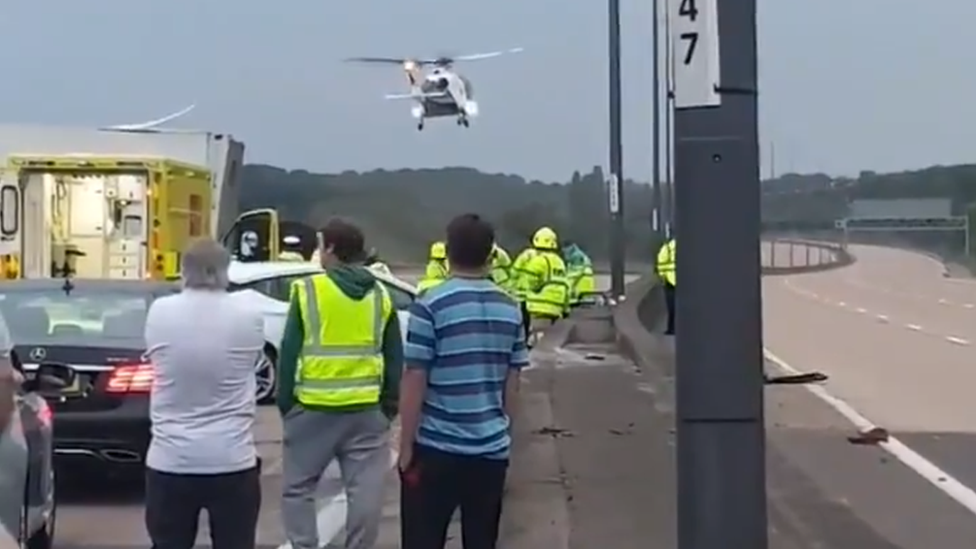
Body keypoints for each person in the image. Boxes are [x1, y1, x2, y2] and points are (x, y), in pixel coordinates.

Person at [399, 213, 528, 549]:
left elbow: (415, 376)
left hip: (436, 448)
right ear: (490, 254)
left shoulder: (429, 306)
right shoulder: (511, 308)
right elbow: (512, 384)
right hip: (489, 452)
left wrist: (405, 446)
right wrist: (505, 438)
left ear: (448, 251)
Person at [277, 218, 403, 549]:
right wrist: (388, 407)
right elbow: (394, 356)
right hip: (365, 411)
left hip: (312, 409)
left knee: (298, 488)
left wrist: (287, 405)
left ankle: (304, 545)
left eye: (320, 245)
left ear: (331, 249)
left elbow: (289, 353)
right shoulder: (381, 294)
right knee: (365, 492)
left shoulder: (309, 291)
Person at [143, 238, 264, 549]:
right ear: (225, 270)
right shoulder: (249, 315)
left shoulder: (160, 311)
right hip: (232, 459)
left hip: (171, 459)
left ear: (184, 270)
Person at [512, 227, 570, 334]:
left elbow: (529, 283)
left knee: (538, 342)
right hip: (557, 309)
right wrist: (566, 309)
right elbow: (566, 285)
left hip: (539, 308)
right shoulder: (559, 262)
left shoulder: (538, 261)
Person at [561, 241, 595, 306]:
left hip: (578, 299)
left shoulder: (576, 258)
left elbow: (571, 278)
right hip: (586, 298)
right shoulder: (582, 259)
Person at [656, 237, 676, 335]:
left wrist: (662, 276)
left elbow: (660, 263)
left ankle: (671, 329)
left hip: (669, 281)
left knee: (671, 307)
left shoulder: (667, 247)